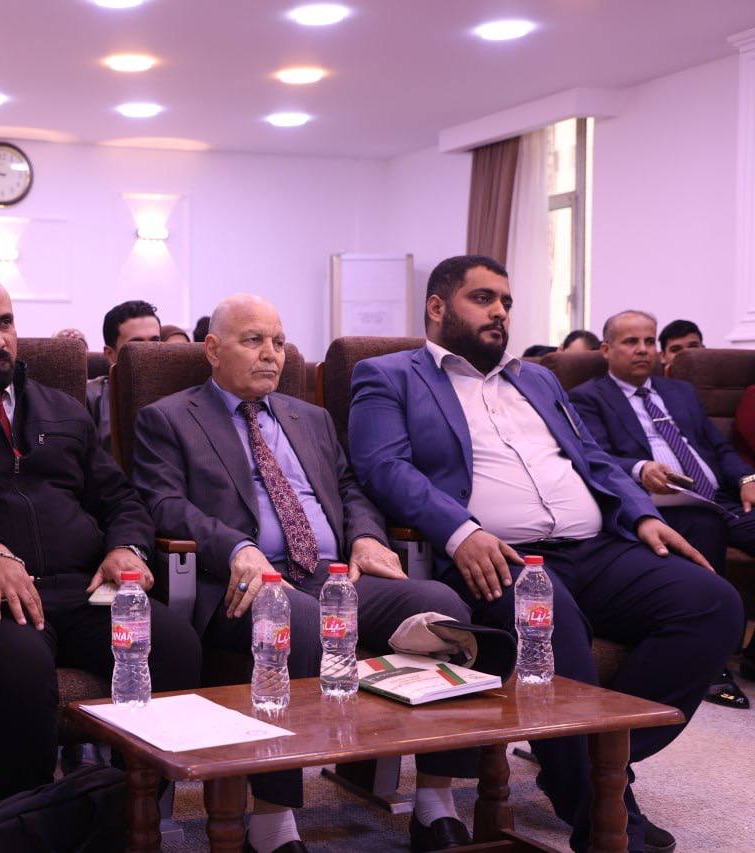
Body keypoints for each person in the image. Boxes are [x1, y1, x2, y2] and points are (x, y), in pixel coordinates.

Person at [348, 255, 742, 853]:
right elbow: (384, 467)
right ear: (437, 307)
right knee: (548, 618)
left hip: (596, 547)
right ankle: (600, 808)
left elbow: (593, 460)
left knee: (712, 602)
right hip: (498, 557)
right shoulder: (389, 375)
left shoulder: (537, 378)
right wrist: (461, 531)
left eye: (505, 301)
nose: (500, 312)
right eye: (483, 299)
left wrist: (642, 515)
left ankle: (598, 762)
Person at [133, 294, 482, 853]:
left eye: (278, 341)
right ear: (213, 350)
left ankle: (434, 801)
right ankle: (272, 824)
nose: (271, 354)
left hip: (331, 573)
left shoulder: (310, 418)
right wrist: (238, 547)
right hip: (242, 584)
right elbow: (165, 504)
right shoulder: (169, 418)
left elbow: (350, 487)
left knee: (444, 608)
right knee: (292, 616)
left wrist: (365, 535)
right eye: (253, 340)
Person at [0, 270, 200, 802]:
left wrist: (126, 547)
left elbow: (121, 498)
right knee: (21, 671)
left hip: (83, 587)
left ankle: (127, 809)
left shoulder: (61, 409)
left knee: (174, 644)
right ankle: (30, 821)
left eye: (5, 323)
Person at [569, 309, 755, 708]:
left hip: (719, 496)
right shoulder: (588, 398)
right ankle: (714, 664)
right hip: (657, 502)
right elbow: (592, 457)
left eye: (649, 341)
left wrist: (746, 478)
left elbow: (719, 448)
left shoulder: (680, 392)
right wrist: (639, 468)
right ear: (606, 350)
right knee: (704, 524)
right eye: (630, 342)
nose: (643, 350)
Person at [86, 300, 162, 452]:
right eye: (136, 345)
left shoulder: (182, 394)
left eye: (155, 342)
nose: (150, 351)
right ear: (110, 354)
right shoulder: (89, 398)